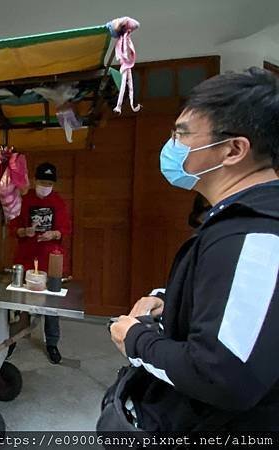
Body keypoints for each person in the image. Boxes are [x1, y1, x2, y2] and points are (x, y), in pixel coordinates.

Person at [110, 67, 279, 431]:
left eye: (181, 134)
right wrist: (169, 300)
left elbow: (222, 374)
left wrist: (136, 339)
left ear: (234, 149)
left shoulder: (254, 235)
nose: (171, 145)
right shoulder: (236, 219)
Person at [11, 162, 71, 364]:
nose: (46, 186)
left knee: (51, 305)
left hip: (50, 258)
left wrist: (53, 233)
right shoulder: (24, 200)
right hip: (26, 257)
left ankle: (52, 342)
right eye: (42, 182)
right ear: (35, 181)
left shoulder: (59, 202)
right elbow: (14, 228)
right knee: (18, 302)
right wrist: (24, 231)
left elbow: (66, 229)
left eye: (49, 183)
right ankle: (12, 340)